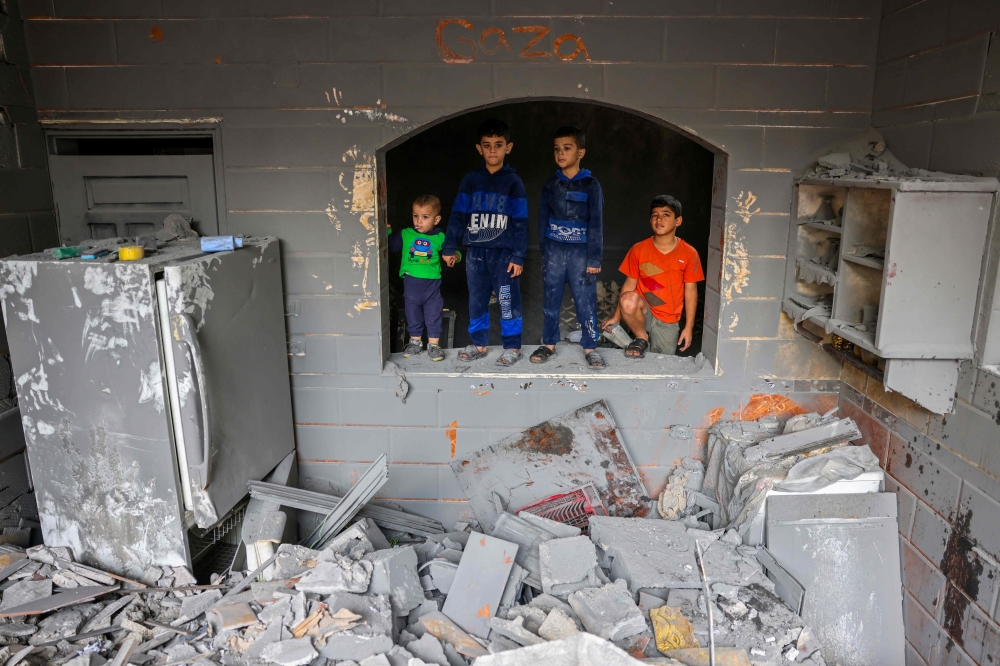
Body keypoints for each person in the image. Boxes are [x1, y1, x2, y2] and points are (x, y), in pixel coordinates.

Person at [441, 118, 529, 367]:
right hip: (476, 254)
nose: (492, 150)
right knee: (477, 300)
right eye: (487, 145)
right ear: (479, 148)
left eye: (498, 145)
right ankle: (479, 343)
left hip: (504, 255)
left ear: (508, 148)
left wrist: (518, 256)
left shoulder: (514, 182)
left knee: (507, 300)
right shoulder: (471, 180)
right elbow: (458, 216)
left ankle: (512, 346)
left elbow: (521, 222)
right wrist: (449, 246)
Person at [530, 125, 605, 369]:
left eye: (567, 148)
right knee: (551, 299)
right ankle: (549, 343)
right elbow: (542, 220)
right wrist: (545, 251)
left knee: (585, 302)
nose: (561, 153)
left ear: (580, 152)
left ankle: (590, 346)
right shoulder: (550, 185)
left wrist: (594, 258)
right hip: (554, 251)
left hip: (580, 254)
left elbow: (596, 223)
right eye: (557, 149)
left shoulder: (591, 185)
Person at [603, 195, 704, 358]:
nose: (659, 219)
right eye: (654, 215)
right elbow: (629, 285)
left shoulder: (689, 253)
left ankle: (643, 344)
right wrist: (616, 316)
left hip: (668, 318)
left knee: (662, 362)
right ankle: (641, 337)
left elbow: (691, 292)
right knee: (628, 299)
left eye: (666, 214)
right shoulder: (639, 250)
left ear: (678, 221)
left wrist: (689, 327)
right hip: (644, 312)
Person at [387, 195, 459, 362]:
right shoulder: (406, 234)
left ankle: (433, 345)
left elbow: (453, 252)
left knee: (433, 315)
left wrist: (454, 257)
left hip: (432, 288)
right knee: (413, 315)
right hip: (411, 285)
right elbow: (392, 246)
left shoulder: (440, 237)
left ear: (436, 219)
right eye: (415, 215)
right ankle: (415, 343)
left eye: (425, 217)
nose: (419, 221)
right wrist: (387, 231)